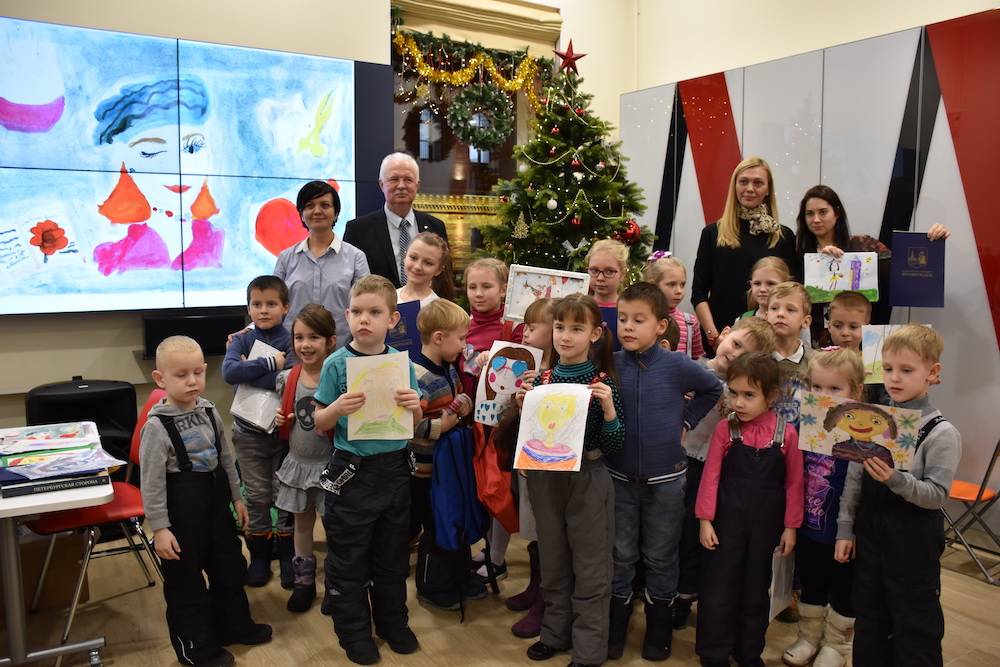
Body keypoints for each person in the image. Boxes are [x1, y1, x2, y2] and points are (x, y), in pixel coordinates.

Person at [607, 283, 723, 661]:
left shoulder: (676, 364)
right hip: (619, 480)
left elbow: (713, 389)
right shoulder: (611, 363)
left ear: (660, 326)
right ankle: (616, 626)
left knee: (660, 556)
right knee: (621, 554)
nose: (628, 327)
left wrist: (686, 421)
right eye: (623, 318)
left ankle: (658, 629)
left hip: (667, 482)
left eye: (639, 320)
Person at [141, 335, 272, 667]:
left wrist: (237, 498)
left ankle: (233, 626)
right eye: (181, 375)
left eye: (197, 373)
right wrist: (160, 528)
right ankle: (196, 648)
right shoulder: (156, 427)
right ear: (160, 379)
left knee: (229, 567)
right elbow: (151, 483)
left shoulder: (210, 411)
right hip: (181, 513)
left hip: (215, 505)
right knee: (187, 583)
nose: (192, 381)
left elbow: (226, 459)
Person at [312, 275, 422, 665]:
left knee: (392, 557)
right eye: (357, 312)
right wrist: (336, 409)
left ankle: (393, 623)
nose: (364, 319)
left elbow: (413, 424)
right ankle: (354, 632)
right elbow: (319, 422)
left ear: (392, 319)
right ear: (347, 316)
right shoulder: (335, 364)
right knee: (349, 559)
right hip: (351, 473)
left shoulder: (402, 364)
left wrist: (415, 407)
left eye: (374, 312)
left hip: (394, 471)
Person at [835, 325, 959, 667]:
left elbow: (937, 495)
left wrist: (895, 479)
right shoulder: (872, 421)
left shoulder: (942, 433)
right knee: (869, 614)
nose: (894, 378)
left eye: (906, 370)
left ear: (932, 372)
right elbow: (854, 482)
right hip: (871, 532)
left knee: (914, 621)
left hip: (913, 539)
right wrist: (845, 529)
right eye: (888, 368)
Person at [513, 294, 624, 667]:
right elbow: (532, 438)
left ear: (595, 334)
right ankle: (554, 634)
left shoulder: (602, 383)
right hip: (545, 478)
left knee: (591, 567)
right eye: (560, 327)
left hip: (588, 479)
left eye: (577, 328)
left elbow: (614, 445)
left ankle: (588, 650)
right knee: (553, 561)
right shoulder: (541, 381)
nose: (565, 336)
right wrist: (524, 408)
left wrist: (608, 410)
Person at [696, 352, 803, 667]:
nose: (738, 402)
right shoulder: (725, 429)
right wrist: (705, 521)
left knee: (756, 591)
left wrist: (790, 527)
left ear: (771, 396)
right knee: (719, 588)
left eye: (749, 395)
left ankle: (748, 651)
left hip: (767, 526)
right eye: (733, 393)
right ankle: (714, 652)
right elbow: (711, 476)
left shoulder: (787, 434)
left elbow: (794, 484)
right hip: (726, 523)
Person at [675, 317, 777, 629]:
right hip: (679, 459)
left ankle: (688, 595)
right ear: (725, 334)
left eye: (744, 353)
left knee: (696, 534)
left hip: (714, 469)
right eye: (735, 343)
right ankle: (668, 592)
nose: (734, 353)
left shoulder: (742, 392)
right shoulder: (691, 370)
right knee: (675, 530)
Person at [783, 348, 865, 667]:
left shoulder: (863, 430)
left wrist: (850, 529)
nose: (824, 395)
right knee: (811, 581)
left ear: (856, 391)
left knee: (843, 586)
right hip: (809, 523)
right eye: (816, 387)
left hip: (843, 529)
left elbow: (861, 488)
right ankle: (809, 637)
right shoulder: (806, 421)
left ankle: (836, 646)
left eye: (834, 388)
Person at [92, 76, 224, 275]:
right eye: (150, 152)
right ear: (127, 164)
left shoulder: (219, 242)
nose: (178, 167)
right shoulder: (114, 256)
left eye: (192, 149)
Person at [793, 184, 949, 344]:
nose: (816, 219)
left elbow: (905, 272)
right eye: (810, 213)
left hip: (867, 340)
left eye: (823, 212)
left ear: (837, 213)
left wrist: (931, 242)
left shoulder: (864, 245)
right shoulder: (798, 255)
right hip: (815, 341)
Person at [408, 299, 483, 611]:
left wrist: (465, 402)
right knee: (437, 526)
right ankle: (432, 586)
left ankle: (458, 576)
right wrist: (441, 426)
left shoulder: (449, 368)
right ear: (438, 337)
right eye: (461, 338)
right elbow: (409, 425)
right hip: (425, 472)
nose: (465, 346)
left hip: (447, 467)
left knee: (454, 519)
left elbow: (455, 398)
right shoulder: (417, 375)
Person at [221, 275, 293, 588]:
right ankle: (260, 558)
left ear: (285, 307)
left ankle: (289, 557)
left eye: (271, 304)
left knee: (284, 495)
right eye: (257, 304)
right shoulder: (241, 340)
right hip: (248, 433)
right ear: (248, 308)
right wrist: (273, 364)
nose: (264, 310)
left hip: (283, 432)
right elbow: (229, 372)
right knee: (258, 496)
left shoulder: (292, 340)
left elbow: (291, 380)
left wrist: (249, 370)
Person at [691, 157, 798, 350]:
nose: (750, 188)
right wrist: (714, 337)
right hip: (721, 340)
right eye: (743, 181)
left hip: (770, 343)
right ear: (735, 186)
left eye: (758, 183)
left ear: (768, 189)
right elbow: (699, 292)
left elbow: (793, 295)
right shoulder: (712, 233)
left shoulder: (783, 236)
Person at [273, 304, 338, 613]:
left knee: (334, 526)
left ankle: (337, 584)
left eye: (314, 337)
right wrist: (279, 419)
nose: (306, 345)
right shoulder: (288, 378)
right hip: (298, 464)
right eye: (299, 338)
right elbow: (287, 418)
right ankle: (304, 582)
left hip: (331, 466)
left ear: (330, 341)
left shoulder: (336, 377)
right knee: (301, 523)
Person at [464, 258, 523, 586]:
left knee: (498, 490)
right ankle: (488, 549)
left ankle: (497, 558)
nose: (478, 293)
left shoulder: (513, 327)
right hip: (469, 422)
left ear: (503, 289)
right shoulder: (463, 323)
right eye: (472, 286)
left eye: (486, 286)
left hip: (499, 424)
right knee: (480, 491)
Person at [505, 297, 558, 639]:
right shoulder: (527, 366)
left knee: (547, 530)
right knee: (533, 528)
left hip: (550, 465)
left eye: (533, 327)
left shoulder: (561, 372)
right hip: (526, 459)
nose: (524, 333)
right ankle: (535, 585)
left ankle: (546, 601)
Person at [274, 180, 370, 349]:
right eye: (310, 206)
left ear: (336, 213)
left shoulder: (356, 257)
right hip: (294, 352)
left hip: (341, 351)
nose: (317, 211)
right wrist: (251, 329)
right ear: (301, 214)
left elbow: (365, 307)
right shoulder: (285, 258)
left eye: (324, 205)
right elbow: (272, 303)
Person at [343, 152, 448, 288]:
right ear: (382, 184)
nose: (401, 186)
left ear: (417, 185)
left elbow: (445, 278)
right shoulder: (358, 230)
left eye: (408, 179)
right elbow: (348, 282)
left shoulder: (436, 226)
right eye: (394, 179)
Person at [766, 282, 816, 430]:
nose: (780, 314)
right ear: (766, 316)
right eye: (774, 308)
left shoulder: (818, 362)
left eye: (790, 309)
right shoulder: (756, 360)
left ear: (805, 321)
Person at [644, 251, 705, 359]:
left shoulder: (690, 322)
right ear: (653, 285)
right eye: (671, 284)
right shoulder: (641, 319)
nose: (679, 291)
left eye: (682, 285)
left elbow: (698, 360)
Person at [397, 231, 454, 306]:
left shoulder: (437, 308)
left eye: (428, 263)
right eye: (413, 258)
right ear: (405, 256)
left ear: (439, 270)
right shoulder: (389, 297)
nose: (417, 267)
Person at [739, 256, 791, 321]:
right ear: (751, 285)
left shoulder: (794, 320)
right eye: (757, 283)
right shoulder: (743, 319)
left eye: (770, 283)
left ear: (785, 285)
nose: (762, 289)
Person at [586, 239, 630, 307]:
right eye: (594, 270)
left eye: (609, 271)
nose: (600, 278)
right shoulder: (580, 306)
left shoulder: (627, 309)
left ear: (622, 274)